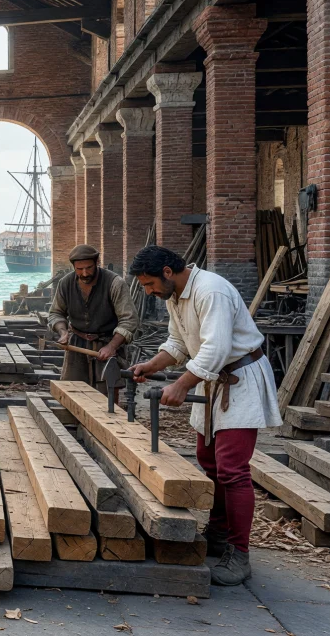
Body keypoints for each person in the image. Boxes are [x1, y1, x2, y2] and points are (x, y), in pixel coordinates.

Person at [128, 245, 281, 586]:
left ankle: (239, 554)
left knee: (233, 469)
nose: (150, 292)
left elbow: (216, 348)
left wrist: (182, 384)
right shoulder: (175, 296)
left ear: (168, 271)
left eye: (150, 283)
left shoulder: (210, 290)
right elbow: (179, 343)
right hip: (213, 379)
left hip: (238, 380)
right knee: (208, 460)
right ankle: (219, 531)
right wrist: (151, 365)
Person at [48, 244, 138, 392]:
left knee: (107, 396)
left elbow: (129, 320)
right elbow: (56, 313)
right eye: (79, 269)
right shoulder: (65, 283)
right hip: (77, 346)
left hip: (107, 342)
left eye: (89, 268)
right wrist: (63, 332)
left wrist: (112, 346)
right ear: (73, 267)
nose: (84, 273)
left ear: (97, 263)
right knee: (73, 392)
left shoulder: (115, 283)